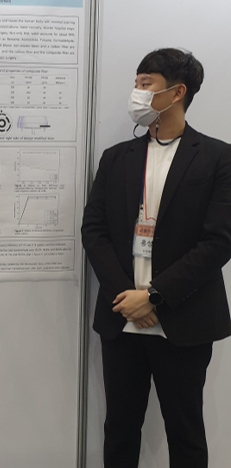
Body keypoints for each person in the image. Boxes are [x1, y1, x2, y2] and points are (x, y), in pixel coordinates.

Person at [81, 48, 231, 468]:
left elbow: (219, 241)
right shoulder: (116, 158)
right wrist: (127, 297)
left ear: (177, 92)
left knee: (185, 434)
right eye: (136, 83)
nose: (136, 93)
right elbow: (93, 230)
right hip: (123, 319)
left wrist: (154, 297)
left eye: (145, 84)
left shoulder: (219, 158)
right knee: (120, 430)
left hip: (183, 319)